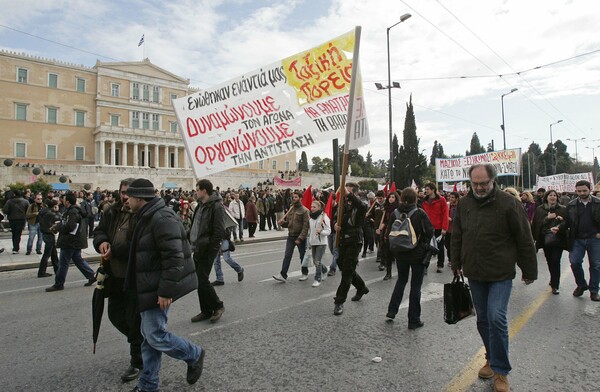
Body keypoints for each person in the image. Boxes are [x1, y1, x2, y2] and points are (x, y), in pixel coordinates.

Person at [451, 163, 537, 392]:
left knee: (496, 317)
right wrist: (455, 262)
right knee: (482, 320)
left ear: (493, 181)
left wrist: (529, 270)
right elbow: (457, 234)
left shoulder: (510, 204)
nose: (479, 188)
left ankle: (501, 371)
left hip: (501, 272)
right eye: (475, 183)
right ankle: (491, 356)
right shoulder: (464, 204)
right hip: (475, 271)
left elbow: (524, 238)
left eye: (483, 183)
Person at [125, 178, 204, 392]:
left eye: (129, 196)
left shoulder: (161, 217)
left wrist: (166, 290)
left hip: (157, 287)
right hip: (148, 284)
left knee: (154, 335)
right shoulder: (146, 215)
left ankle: (193, 353)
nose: (126, 199)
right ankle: (149, 384)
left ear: (139, 198)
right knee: (149, 338)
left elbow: (174, 257)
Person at [93, 178, 144, 383]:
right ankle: (142, 341)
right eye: (122, 192)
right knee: (115, 315)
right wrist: (102, 243)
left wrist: (116, 251)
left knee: (133, 319)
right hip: (114, 276)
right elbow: (99, 231)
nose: (124, 196)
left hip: (133, 277)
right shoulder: (112, 212)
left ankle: (138, 361)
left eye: (128, 193)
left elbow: (138, 244)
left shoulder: (141, 214)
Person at [385, 187, 434, 328]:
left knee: (401, 280)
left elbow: (389, 232)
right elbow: (429, 231)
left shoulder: (395, 213)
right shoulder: (419, 213)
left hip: (400, 253)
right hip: (417, 254)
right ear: (415, 199)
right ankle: (413, 320)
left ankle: (392, 311)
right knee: (416, 286)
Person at [553, 180, 600, 301]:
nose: (582, 193)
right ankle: (581, 285)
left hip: (594, 238)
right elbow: (567, 221)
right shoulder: (572, 204)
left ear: (590, 189)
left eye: (584, 190)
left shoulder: (598, 203)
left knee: (596, 265)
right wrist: (558, 227)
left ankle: (594, 290)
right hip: (577, 239)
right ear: (575, 191)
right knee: (575, 262)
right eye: (579, 191)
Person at [189, 179, 226, 323]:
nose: (195, 192)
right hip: (197, 247)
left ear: (204, 191)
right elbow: (196, 226)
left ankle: (218, 306)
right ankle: (205, 310)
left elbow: (219, 231)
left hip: (207, 248)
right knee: (198, 280)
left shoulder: (216, 206)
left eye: (197, 189)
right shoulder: (200, 206)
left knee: (202, 279)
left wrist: (211, 248)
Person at [46, 192, 97, 292]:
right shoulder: (73, 210)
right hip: (75, 240)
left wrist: (58, 227)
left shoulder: (72, 212)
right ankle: (91, 275)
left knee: (63, 263)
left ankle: (59, 284)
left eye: (64, 199)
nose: (62, 201)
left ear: (68, 201)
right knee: (78, 259)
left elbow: (70, 226)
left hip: (70, 241)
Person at [333, 182, 369, 316]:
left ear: (353, 193)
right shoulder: (342, 205)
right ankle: (361, 287)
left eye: (347, 193)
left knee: (347, 271)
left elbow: (361, 206)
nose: (345, 195)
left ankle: (339, 301)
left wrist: (349, 194)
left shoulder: (361, 204)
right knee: (343, 266)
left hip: (355, 241)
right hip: (343, 240)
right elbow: (335, 218)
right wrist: (335, 225)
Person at [532, 189, 567, 295]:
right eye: (550, 195)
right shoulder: (540, 209)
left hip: (558, 239)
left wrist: (560, 222)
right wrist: (547, 218)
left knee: (556, 261)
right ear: (546, 197)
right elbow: (537, 223)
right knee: (549, 261)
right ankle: (553, 278)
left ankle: (555, 285)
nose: (552, 197)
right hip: (545, 239)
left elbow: (568, 222)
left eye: (554, 195)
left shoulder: (562, 209)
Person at [272, 190, 309, 282]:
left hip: (300, 237)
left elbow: (305, 227)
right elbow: (289, 223)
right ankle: (283, 275)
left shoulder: (304, 211)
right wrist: (283, 223)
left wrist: (300, 238)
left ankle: (305, 273)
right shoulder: (291, 209)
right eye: (293, 197)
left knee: (302, 256)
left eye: (296, 197)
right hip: (291, 236)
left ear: (300, 198)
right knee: (287, 256)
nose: (294, 199)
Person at [422, 182, 449, 273]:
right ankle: (425, 265)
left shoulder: (441, 200)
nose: (426, 191)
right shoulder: (424, 200)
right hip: (427, 227)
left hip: (438, 227)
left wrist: (444, 227)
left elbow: (445, 214)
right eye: (425, 189)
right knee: (426, 247)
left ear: (433, 190)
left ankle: (440, 265)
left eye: (427, 189)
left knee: (440, 247)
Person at [307, 200, 331, 287]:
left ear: (319, 208)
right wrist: (310, 242)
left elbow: (328, 231)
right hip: (314, 242)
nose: (312, 208)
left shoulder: (324, 217)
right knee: (315, 261)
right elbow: (311, 232)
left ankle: (317, 279)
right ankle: (324, 270)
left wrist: (321, 232)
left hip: (321, 243)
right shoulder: (311, 218)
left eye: (314, 207)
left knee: (317, 261)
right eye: (311, 207)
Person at [377, 191, 399, 279]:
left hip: (396, 231)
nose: (391, 199)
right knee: (387, 252)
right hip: (387, 231)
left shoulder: (398, 209)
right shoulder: (386, 208)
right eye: (390, 197)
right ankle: (388, 272)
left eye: (393, 197)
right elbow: (385, 220)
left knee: (398, 254)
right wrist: (381, 226)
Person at [37, 199, 60, 277]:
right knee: (47, 254)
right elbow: (58, 219)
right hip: (49, 233)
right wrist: (57, 211)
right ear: (54, 206)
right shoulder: (51, 214)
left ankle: (57, 269)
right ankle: (41, 271)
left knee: (53, 253)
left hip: (45, 232)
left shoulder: (43, 211)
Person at [3, 190, 29, 254]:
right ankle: (16, 248)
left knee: (14, 233)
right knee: (18, 233)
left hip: (12, 219)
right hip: (21, 219)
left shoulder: (9, 201)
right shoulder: (25, 201)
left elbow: (5, 210)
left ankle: (15, 247)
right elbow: (28, 211)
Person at [445, 191, 460, 269]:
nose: (450, 199)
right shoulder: (447, 205)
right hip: (448, 229)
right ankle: (450, 259)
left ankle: (454, 260)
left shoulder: (460, 206)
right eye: (450, 197)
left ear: (457, 198)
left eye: (452, 197)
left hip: (457, 230)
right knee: (447, 245)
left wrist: (453, 219)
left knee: (455, 245)